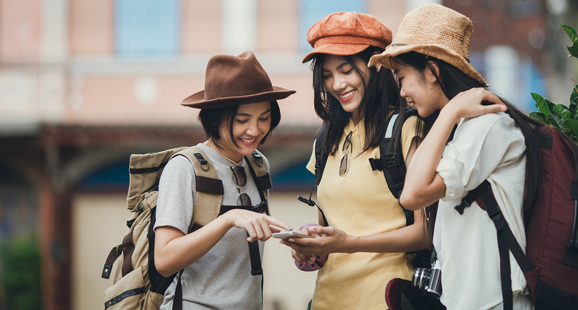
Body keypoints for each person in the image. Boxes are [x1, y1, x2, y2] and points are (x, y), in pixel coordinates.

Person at [369, 4, 542, 310]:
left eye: (402, 77)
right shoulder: (460, 130)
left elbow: (412, 195)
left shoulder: (489, 126)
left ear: (432, 72)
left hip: (496, 302)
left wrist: (449, 110)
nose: (401, 92)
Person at [280, 12, 430, 310]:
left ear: (376, 66)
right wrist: (308, 248)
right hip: (327, 300)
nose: (336, 84)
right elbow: (330, 231)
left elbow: (425, 233)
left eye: (346, 70)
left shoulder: (404, 128)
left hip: (386, 299)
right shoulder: (326, 139)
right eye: (326, 75)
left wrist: (350, 243)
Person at [153, 51, 295, 309]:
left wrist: (296, 241)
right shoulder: (185, 167)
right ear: (216, 118)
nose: (255, 130)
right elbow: (164, 260)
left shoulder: (258, 165)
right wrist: (228, 219)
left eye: (264, 118)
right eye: (242, 120)